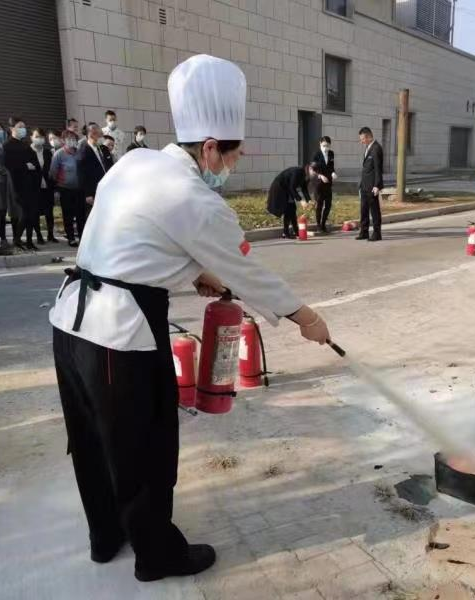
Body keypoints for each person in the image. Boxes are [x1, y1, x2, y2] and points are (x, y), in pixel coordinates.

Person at [49, 54, 330, 583]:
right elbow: (249, 272)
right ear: (210, 147)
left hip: (71, 319)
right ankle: (158, 555)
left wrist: (192, 273)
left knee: (92, 439)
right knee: (145, 443)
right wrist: (305, 316)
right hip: (118, 332)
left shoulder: (135, 162)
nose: (232, 166)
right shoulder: (196, 198)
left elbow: (132, 238)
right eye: (232, 156)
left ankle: (106, 537)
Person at [4, 117, 39, 250]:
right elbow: (9, 165)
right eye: (20, 127)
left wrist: (32, 166)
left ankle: (29, 241)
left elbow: (34, 161)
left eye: (24, 127)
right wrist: (25, 166)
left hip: (30, 183)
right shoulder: (7, 145)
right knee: (24, 213)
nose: (23, 129)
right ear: (12, 128)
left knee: (31, 213)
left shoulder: (25, 145)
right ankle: (17, 239)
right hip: (17, 184)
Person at [49, 129, 83, 246]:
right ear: (63, 140)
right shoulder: (59, 154)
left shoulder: (80, 153)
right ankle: (71, 237)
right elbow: (53, 172)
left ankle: (82, 236)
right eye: (69, 138)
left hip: (79, 189)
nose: (71, 140)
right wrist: (57, 186)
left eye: (74, 138)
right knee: (68, 214)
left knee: (80, 214)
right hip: (65, 189)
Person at [266, 164, 316, 239]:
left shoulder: (306, 176)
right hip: (280, 188)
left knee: (292, 209)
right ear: (310, 168)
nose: (315, 174)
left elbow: (304, 189)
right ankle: (286, 233)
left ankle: (296, 232)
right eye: (315, 171)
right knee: (288, 210)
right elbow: (292, 187)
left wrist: (309, 200)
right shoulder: (298, 172)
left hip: (288, 190)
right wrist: (301, 200)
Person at [31, 127, 57, 243]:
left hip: (47, 185)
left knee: (49, 211)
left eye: (41, 137)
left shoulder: (47, 152)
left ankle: (51, 234)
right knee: (36, 212)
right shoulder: (28, 151)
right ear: (31, 137)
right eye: (36, 136)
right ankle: (39, 235)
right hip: (34, 187)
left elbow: (51, 169)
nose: (39, 139)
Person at [77, 122, 113, 208]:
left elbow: (110, 167)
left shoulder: (104, 149)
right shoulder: (83, 151)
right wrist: (88, 193)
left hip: (107, 187)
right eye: (99, 133)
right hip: (94, 190)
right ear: (91, 134)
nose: (101, 136)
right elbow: (82, 173)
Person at [357, 126, 383, 242]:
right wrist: (361, 184)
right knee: (364, 209)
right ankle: (364, 232)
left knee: (374, 210)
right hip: (364, 185)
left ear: (368, 137)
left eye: (362, 139)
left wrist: (377, 185)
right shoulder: (368, 148)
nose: (361, 141)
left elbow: (378, 169)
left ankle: (377, 234)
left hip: (372, 186)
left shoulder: (376, 148)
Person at [311, 135, 337, 234]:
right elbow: (313, 169)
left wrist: (333, 173)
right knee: (320, 204)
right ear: (320, 144)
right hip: (319, 183)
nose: (326, 148)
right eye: (324, 145)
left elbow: (331, 166)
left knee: (328, 204)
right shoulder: (316, 154)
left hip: (328, 183)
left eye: (328, 146)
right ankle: (318, 225)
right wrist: (320, 175)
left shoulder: (331, 153)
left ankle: (323, 224)